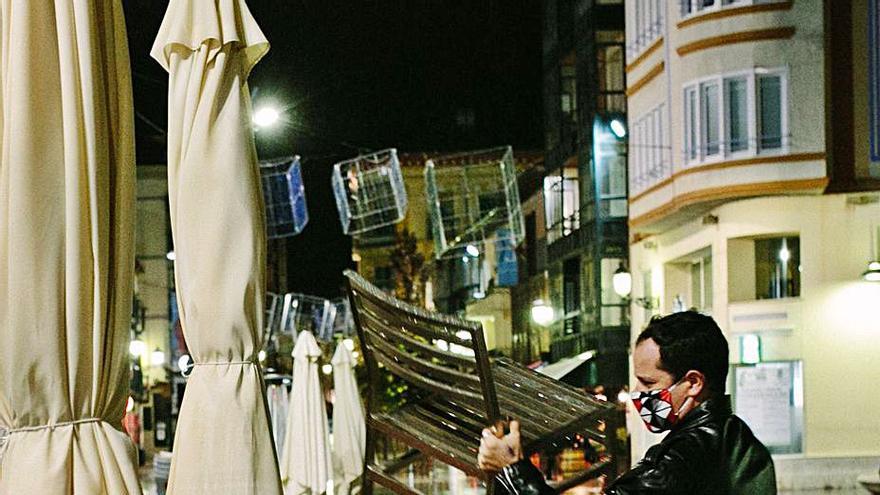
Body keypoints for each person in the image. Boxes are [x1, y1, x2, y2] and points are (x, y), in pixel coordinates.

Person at [478, 311, 777, 494]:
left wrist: (512, 469)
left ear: (693, 383)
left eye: (648, 383)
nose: (637, 394)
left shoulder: (685, 457)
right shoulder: (734, 437)